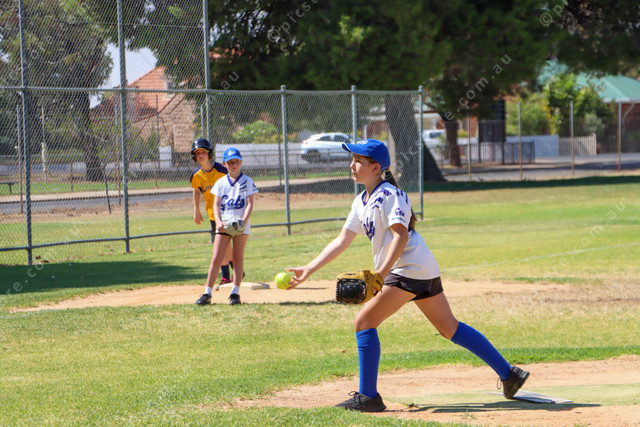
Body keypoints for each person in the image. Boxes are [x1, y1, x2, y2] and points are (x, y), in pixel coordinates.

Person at [285, 139, 529, 412]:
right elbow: (342, 239)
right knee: (449, 328)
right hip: (421, 268)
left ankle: (369, 397)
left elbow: (400, 236)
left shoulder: (390, 194)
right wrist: (309, 268)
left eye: (358, 161)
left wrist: (381, 274)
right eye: (352, 160)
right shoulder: (361, 201)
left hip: (407, 269)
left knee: (364, 322)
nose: (352, 165)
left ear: (375, 167)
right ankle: (510, 375)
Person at [198, 147, 258, 305]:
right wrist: (218, 222)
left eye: (236, 161)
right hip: (224, 225)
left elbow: (250, 203)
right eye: (230, 162)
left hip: (241, 226)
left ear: (241, 162)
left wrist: (243, 221)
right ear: (224, 164)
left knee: (238, 258)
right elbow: (216, 205)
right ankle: (207, 293)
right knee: (216, 258)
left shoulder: (247, 181)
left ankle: (235, 293)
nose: (233, 165)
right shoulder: (221, 182)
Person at [190, 138, 234, 304]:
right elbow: (196, 190)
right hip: (212, 214)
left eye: (203, 152)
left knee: (223, 244)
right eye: (197, 153)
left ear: (209, 153)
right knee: (221, 244)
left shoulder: (221, 170)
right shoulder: (196, 175)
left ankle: (230, 273)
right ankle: (229, 275)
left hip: (228, 211)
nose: (200, 155)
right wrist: (196, 210)